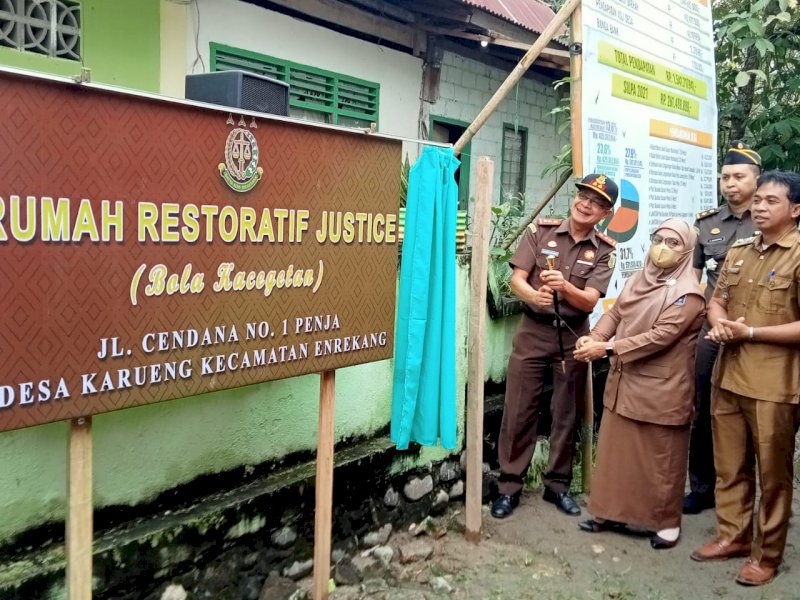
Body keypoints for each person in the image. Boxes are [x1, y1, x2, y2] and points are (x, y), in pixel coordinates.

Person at [691, 170, 800, 586]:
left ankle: (767, 555)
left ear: (795, 210)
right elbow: (716, 300)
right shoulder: (739, 250)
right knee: (730, 467)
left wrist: (750, 332)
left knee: (773, 474)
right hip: (729, 375)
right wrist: (718, 323)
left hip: (775, 384)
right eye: (759, 200)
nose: (759, 206)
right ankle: (732, 536)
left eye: (771, 201)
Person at [491, 173, 618, 519]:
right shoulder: (540, 231)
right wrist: (534, 294)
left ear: (605, 213)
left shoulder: (604, 251)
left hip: (572, 337)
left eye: (596, 203)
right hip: (533, 331)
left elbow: (590, 301)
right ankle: (509, 486)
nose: (586, 204)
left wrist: (564, 288)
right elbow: (517, 279)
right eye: (583, 196)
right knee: (519, 408)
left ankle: (557, 486)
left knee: (564, 413)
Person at [574, 219, 705, 549]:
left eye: (673, 243)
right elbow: (616, 313)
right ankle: (608, 510)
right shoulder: (638, 279)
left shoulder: (688, 294)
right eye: (658, 239)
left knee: (661, 458)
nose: (663, 247)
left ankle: (665, 523)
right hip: (625, 381)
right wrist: (595, 336)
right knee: (616, 454)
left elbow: (660, 337)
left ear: (688, 250)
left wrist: (605, 348)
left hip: (662, 389)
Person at [685, 141, 760, 515]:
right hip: (712, 327)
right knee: (702, 404)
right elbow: (692, 278)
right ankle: (701, 486)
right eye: (725, 177)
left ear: (757, 181)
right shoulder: (707, 223)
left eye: (738, 177)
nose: (730, 184)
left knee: (750, 407)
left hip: (758, 329)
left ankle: (745, 486)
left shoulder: (771, 220)